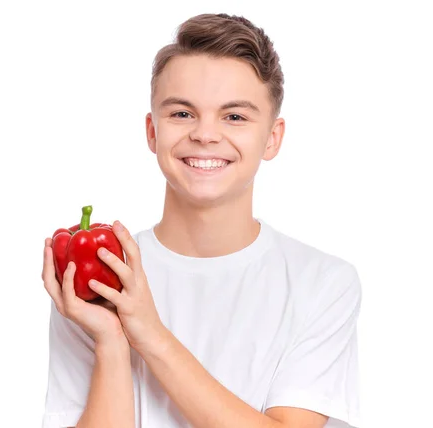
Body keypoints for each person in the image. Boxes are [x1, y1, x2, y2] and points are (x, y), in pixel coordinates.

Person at [41, 13, 362, 428]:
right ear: (152, 131)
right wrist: (112, 341)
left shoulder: (322, 283)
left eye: (234, 117)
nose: (205, 134)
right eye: (182, 113)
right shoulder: (101, 278)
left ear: (273, 138)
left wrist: (150, 335)